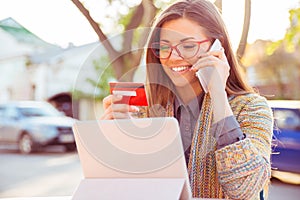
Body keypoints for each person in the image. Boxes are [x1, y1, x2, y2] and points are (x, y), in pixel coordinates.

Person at [100, 0, 273, 199]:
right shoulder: (144, 110)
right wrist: (115, 144)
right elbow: (126, 190)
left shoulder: (252, 109)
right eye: (164, 47)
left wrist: (218, 95)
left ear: (218, 47)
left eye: (188, 46)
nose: (173, 57)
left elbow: (244, 189)